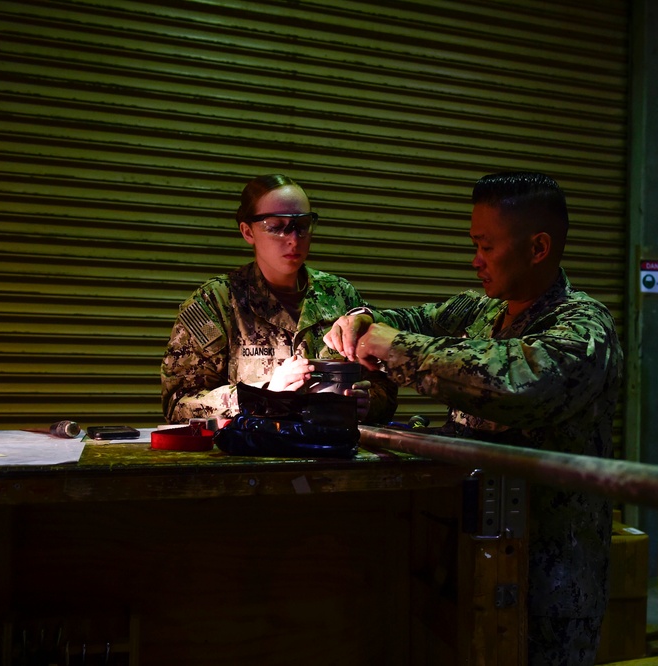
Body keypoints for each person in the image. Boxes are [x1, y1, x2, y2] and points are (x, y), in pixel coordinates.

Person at [324, 171, 624, 666]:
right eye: (474, 244)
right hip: (470, 555)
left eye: (486, 246)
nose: (475, 260)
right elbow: (411, 320)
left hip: (546, 583)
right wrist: (362, 317)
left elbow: (512, 383)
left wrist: (393, 347)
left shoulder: (584, 328)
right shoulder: (481, 311)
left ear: (538, 247)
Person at [161, 174, 397, 425]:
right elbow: (178, 404)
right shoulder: (215, 303)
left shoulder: (339, 295)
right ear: (248, 231)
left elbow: (384, 384)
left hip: (331, 455)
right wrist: (264, 393)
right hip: (257, 459)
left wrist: (368, 403)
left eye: (302, 225)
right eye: (276, 226)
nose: (293, 239)